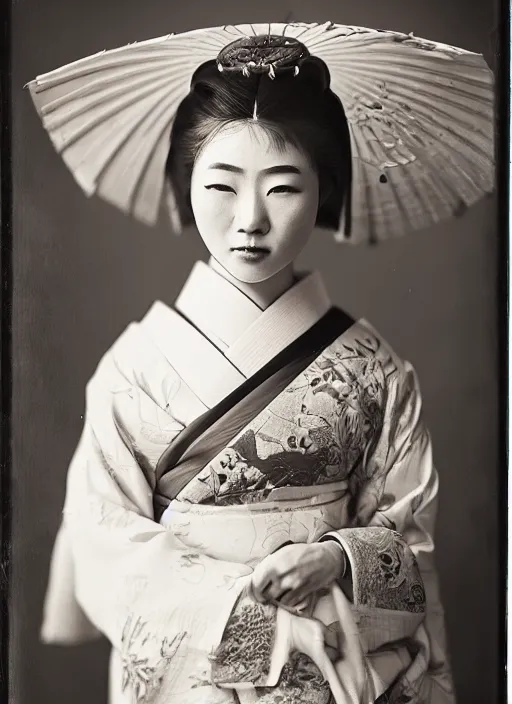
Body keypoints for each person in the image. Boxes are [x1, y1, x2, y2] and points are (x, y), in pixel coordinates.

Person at [29, 23, 493, 704]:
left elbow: (408, 535)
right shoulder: (134, 370)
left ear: (325, 190)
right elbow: (106, 548)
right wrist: (251, 619)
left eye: (282, 188)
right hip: (191, 677)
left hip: (338, 672)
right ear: (186, 183)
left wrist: (336, 557)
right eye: (221, 186)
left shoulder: (374, 373)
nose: (250, 219)